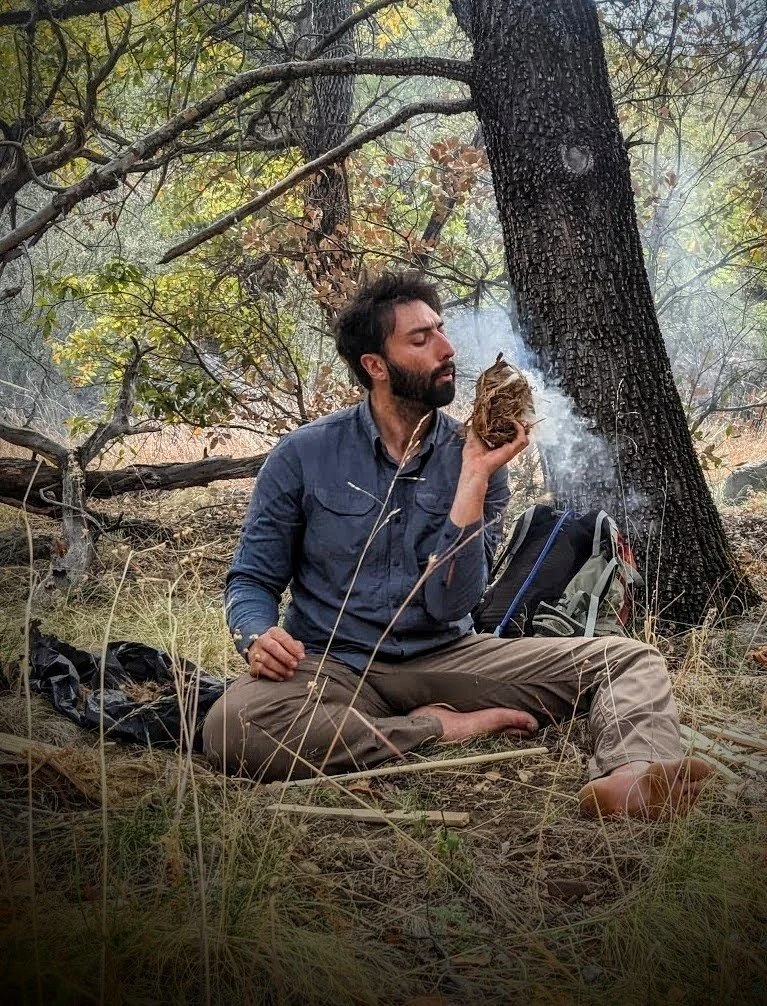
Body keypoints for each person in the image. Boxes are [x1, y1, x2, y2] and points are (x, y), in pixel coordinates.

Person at [203, 271, 712, 818]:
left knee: (629, 660)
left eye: (441, 330)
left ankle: (633, 776)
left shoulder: (474, 457)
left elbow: (453, 604)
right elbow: (252, 579)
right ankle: (439, 728)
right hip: (331, 663)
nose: (447, 350)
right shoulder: (302, 454)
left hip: (448, 656)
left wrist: (472, 478)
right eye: (420, 340)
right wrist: (256, 634)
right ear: (376, 366)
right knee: (231, 727)